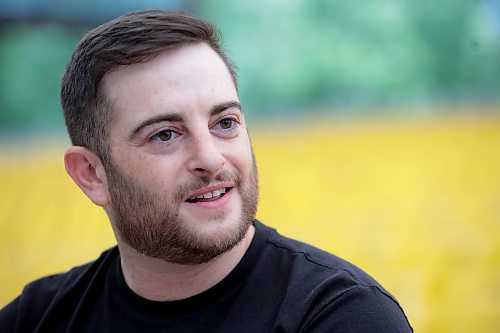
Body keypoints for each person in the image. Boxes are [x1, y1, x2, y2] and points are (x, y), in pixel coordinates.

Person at [0, 9, 412, 332]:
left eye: (225, 123)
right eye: (165, 135)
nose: (211, 158)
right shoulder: (35, 319)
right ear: (92, 174)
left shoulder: (342, 316)